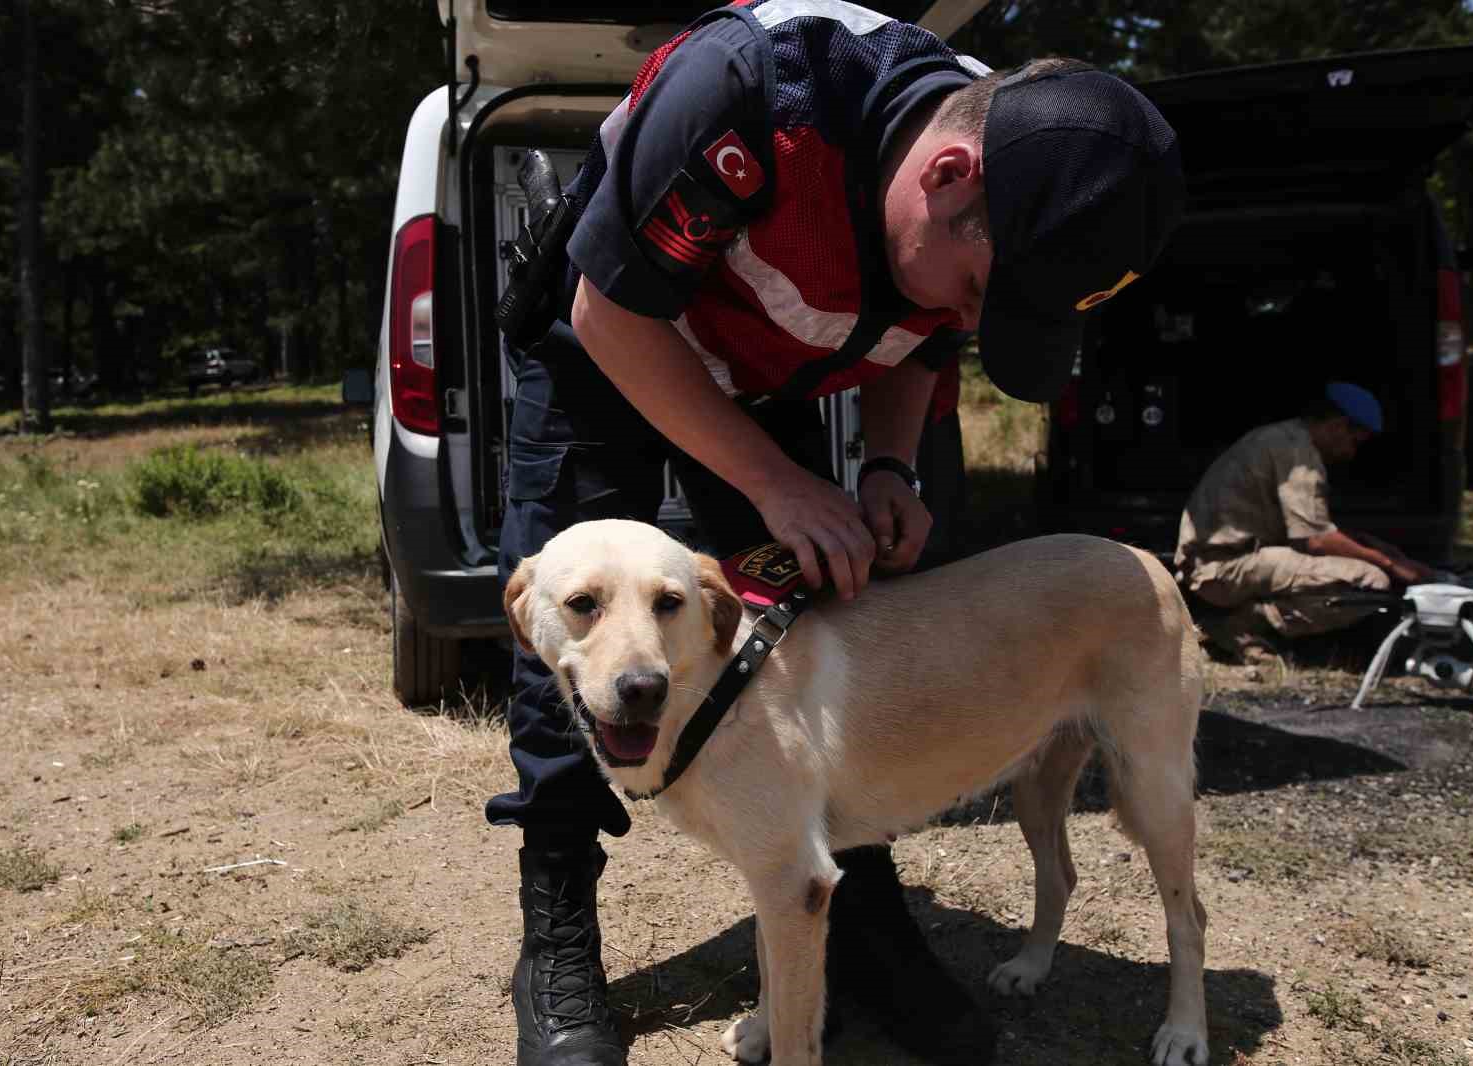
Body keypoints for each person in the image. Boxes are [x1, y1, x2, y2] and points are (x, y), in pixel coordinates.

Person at [491, 4, 1185, 1064]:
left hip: (759, 366)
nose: (967, 320)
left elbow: (927, 339)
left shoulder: (999, 141)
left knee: (795, 611)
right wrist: (777, 485)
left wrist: (887, 465)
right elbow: (613, 317)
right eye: (976, 292)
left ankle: (848, 909)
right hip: (609, 345)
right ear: (948, 177)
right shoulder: (748, 91)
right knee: (591, 639)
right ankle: (559, 934)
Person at [1175, 381, 1440, 663]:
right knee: (1371, 582)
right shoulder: (1298, 455)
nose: (1351, 453)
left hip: (1223, 559)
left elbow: (1314, 528)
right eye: (1354, 441)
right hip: (1222, 567)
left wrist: (1380, 549)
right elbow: (1315, 539)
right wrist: (1390, 564)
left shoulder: (1286, 438)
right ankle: (1240, 626)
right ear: (1338, 426)